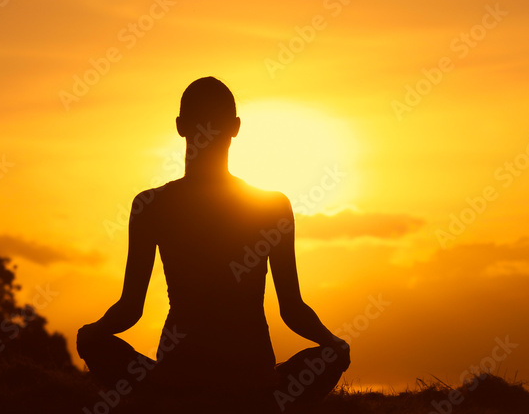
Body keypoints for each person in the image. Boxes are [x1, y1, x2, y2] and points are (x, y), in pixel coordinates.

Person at [77, 77, 350, 412]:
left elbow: (130, 309)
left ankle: (171, 397)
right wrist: (334, 344)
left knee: (97, 345)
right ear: (235, 128)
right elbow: (292, 309)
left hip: (176, 378)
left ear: (180, 127)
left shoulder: (151, 205)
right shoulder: (272, 206)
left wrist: (90, 333)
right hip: (254, 381)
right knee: (331, 356)